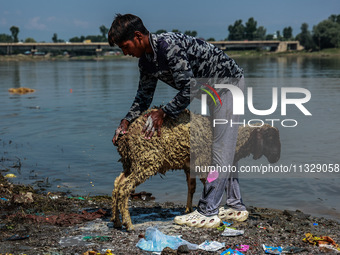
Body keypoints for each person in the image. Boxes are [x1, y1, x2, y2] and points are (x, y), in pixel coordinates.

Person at [108, 13, 249, 228]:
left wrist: (164, 112)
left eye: (125, 46)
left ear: (138, 36)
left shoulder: (168, 47)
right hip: (211, 92)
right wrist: (126, 121)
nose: (125, 52)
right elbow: (144, 96)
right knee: (223, 145)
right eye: (121, 49)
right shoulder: (146, 61)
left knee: (220, 148)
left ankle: (208, 211)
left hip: (228, 85)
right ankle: (235, 206)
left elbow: (189, 88)